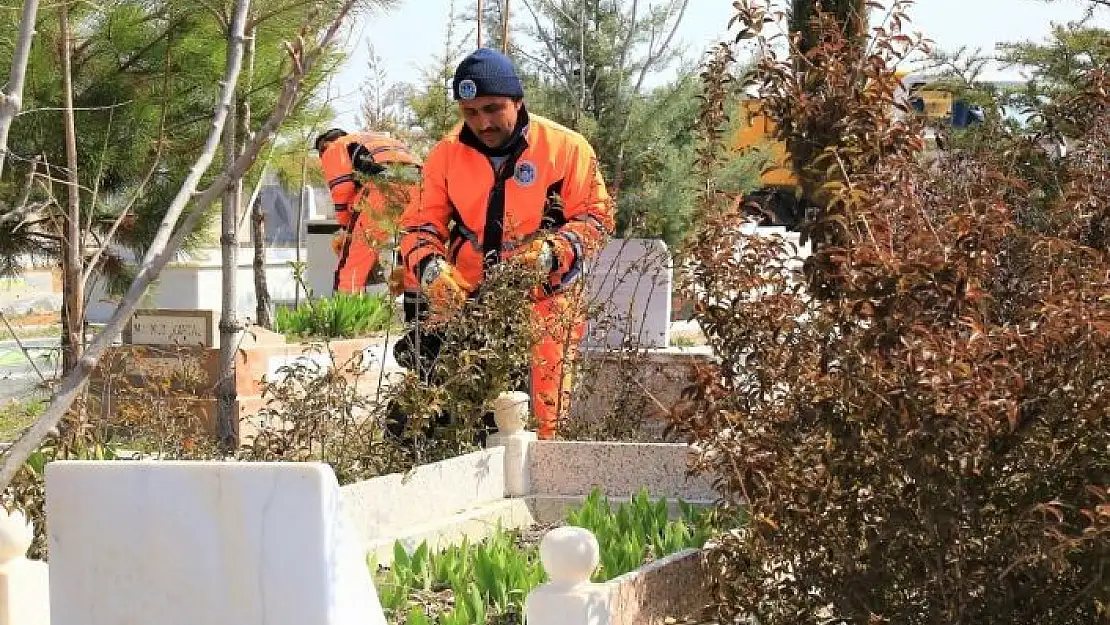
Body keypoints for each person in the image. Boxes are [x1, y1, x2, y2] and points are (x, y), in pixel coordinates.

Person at [398, 48, 614, 440]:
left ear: (518, 100)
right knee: (453, 416)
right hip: (466, 300)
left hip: (545, 301)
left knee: (544, 420)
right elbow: (417, 226)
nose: (483, 122)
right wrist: (431, 269)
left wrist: (552, 252)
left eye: (493, 108)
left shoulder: (567, 149)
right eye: (471, 112)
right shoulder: (445, 155)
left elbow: (596, 218)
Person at [314, 129, 422, 298]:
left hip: (383, 186)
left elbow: (341, 191)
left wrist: (347, 230)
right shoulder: (371, 140)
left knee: (351, 263)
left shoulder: (334, 147)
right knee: (415, 257)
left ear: (324, 147)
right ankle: (418, 318)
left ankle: (347, 316)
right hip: (418, 186)